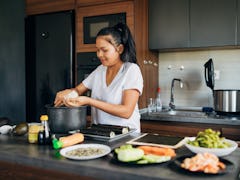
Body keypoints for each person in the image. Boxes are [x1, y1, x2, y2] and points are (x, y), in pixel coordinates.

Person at [54, 23, 143, 132]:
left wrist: (89, 101)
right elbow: (78, 90)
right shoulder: (100, 70)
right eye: (97, 50)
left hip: (126, 136)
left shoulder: (131, 70)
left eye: (104, 50)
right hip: (100, 133)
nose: (99, 55)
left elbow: (126, 111)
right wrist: (68, 93)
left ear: (119, 49)